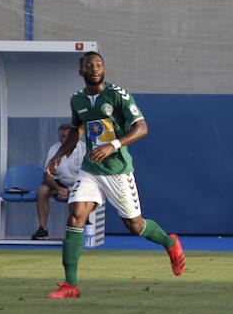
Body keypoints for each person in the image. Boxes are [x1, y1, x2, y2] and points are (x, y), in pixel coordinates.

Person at [44, 51, 186, 299]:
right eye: (89, 65)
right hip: (91, 169)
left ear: (104, 70)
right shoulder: (77, 100)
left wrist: (114, 145)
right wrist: (59, 156)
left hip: (117, 170)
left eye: (99, 65)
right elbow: (76, 132)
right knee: (75, 216)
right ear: (81, 71)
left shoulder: (118, 95)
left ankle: (170, 243)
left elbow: (142, 127)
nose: (95, 68)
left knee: (134, 225)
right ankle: (71, 285)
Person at [32, 123, 86, 240]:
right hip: (59, 183)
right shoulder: (54, 149)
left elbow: (88, 175)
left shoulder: (84, 149)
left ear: (74, 136)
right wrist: (58, 189)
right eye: (61, 137)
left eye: (66, 137)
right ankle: (42, 229)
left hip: (80, 184)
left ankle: (74, 232)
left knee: (78, 195)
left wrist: (71, 190)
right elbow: (47, 175)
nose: (63, 140)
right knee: (42, 190)